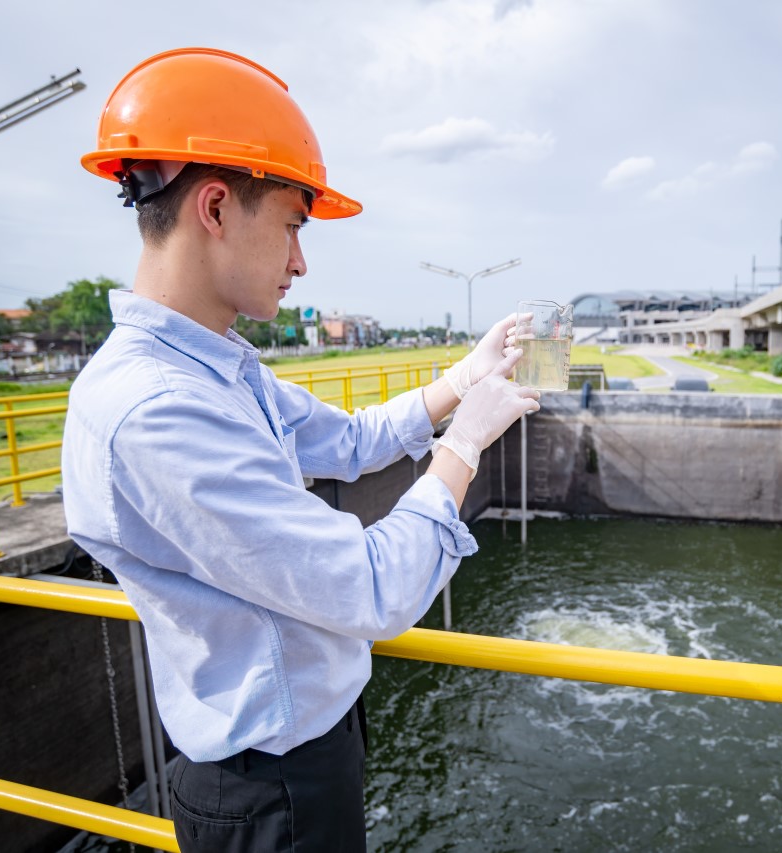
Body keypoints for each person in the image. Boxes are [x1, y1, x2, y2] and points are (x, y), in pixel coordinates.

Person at [61, 47, 540, 852]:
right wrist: (464, 444)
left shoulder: (216, 366)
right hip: (267, 787)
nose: (300, 260)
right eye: (291, 224)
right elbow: (373, 588)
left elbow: (347, 441)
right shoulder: (157, 410)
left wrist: (466, 374)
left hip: (299, 750)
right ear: (215, 208)